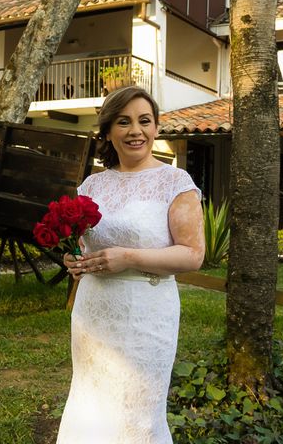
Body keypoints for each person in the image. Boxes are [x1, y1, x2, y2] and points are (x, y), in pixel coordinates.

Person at [56, 86, 205, 443]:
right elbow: (83, 243)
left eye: (144, 121)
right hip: (94, 312)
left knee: (138, 414)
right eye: (124, 122)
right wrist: (73, 260)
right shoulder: (93, 184)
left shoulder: (175, 182)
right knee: (91, 405)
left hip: (147, 315)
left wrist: (130, 257)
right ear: (109, 131)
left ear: (155, 129)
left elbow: (193, 255)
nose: (135, 130)